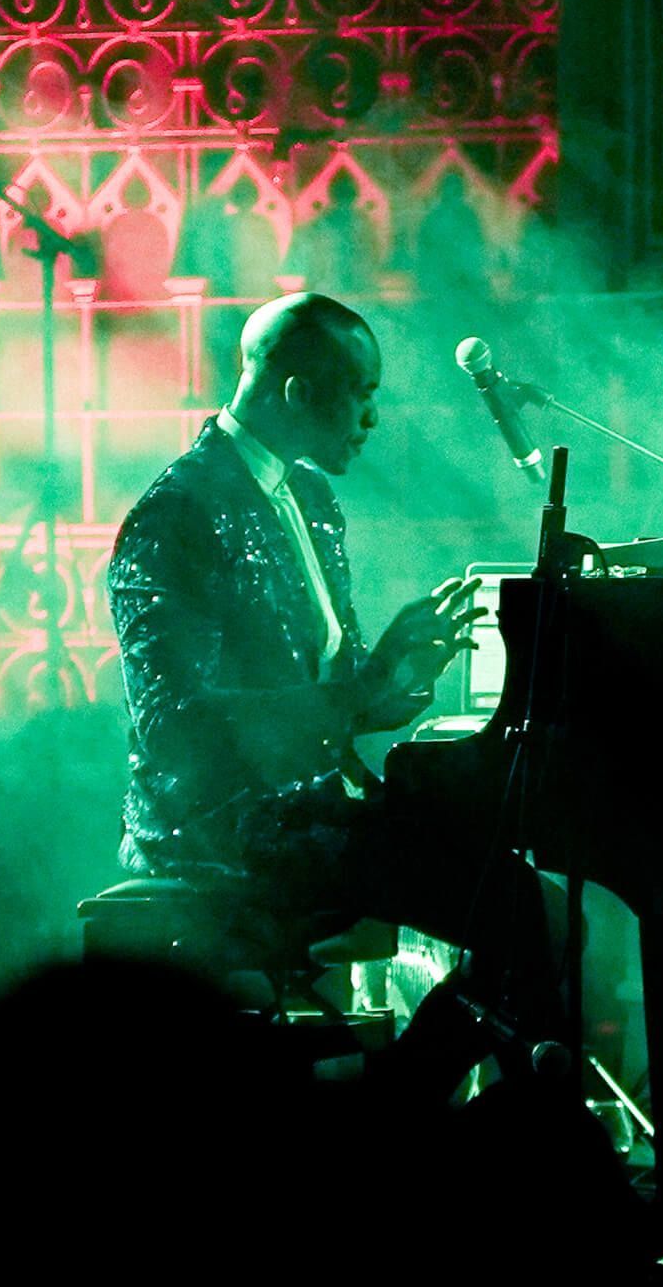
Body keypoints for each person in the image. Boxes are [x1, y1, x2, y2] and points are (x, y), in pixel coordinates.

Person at [107, 291, 557, 1028]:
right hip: (216, 826)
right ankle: (396, 1114)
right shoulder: (174, 515)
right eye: (362, 394)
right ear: (296, 393)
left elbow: (332, 693)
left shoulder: (309, 494)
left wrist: (400, 679)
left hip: (307, 801)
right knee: (516, 913)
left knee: (527, 899)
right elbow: (175, 725)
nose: (372, 419)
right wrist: (366, 685)